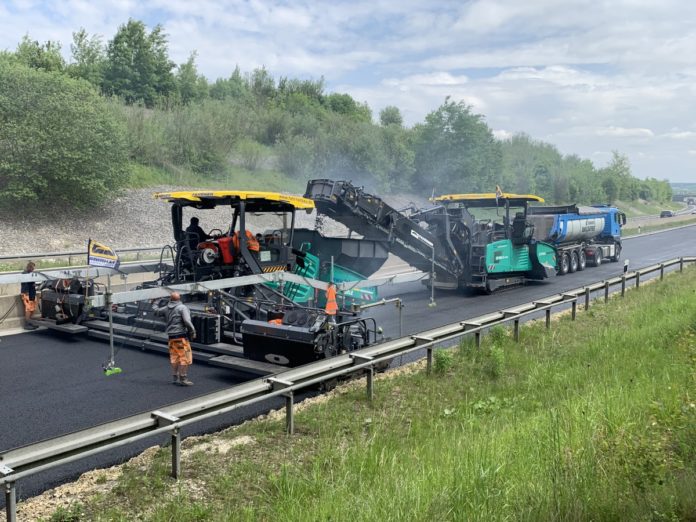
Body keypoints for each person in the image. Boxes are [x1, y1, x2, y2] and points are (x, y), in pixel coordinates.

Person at [152, 292, 197, 386]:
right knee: (185, 357)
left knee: (175, 357)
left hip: (171, 338)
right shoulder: (182, 308)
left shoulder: (166, 308)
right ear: (180, 299)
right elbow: (187, 321)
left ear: (170, 299)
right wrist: (193, 331)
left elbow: (156, 311)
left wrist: (155, 302)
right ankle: (183, 378)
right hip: (181, 337)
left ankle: (175, 378)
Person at [20, 261, 38, 330]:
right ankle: (27, 324)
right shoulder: (24, 273)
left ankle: (30, 322)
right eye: (32, 268)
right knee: (28, 309)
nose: (33, 270)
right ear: (29, 267)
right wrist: (27, 292)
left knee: (33, 308)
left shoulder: (30, 273)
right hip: (27, 293)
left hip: (32, 292)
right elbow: (25, 284)